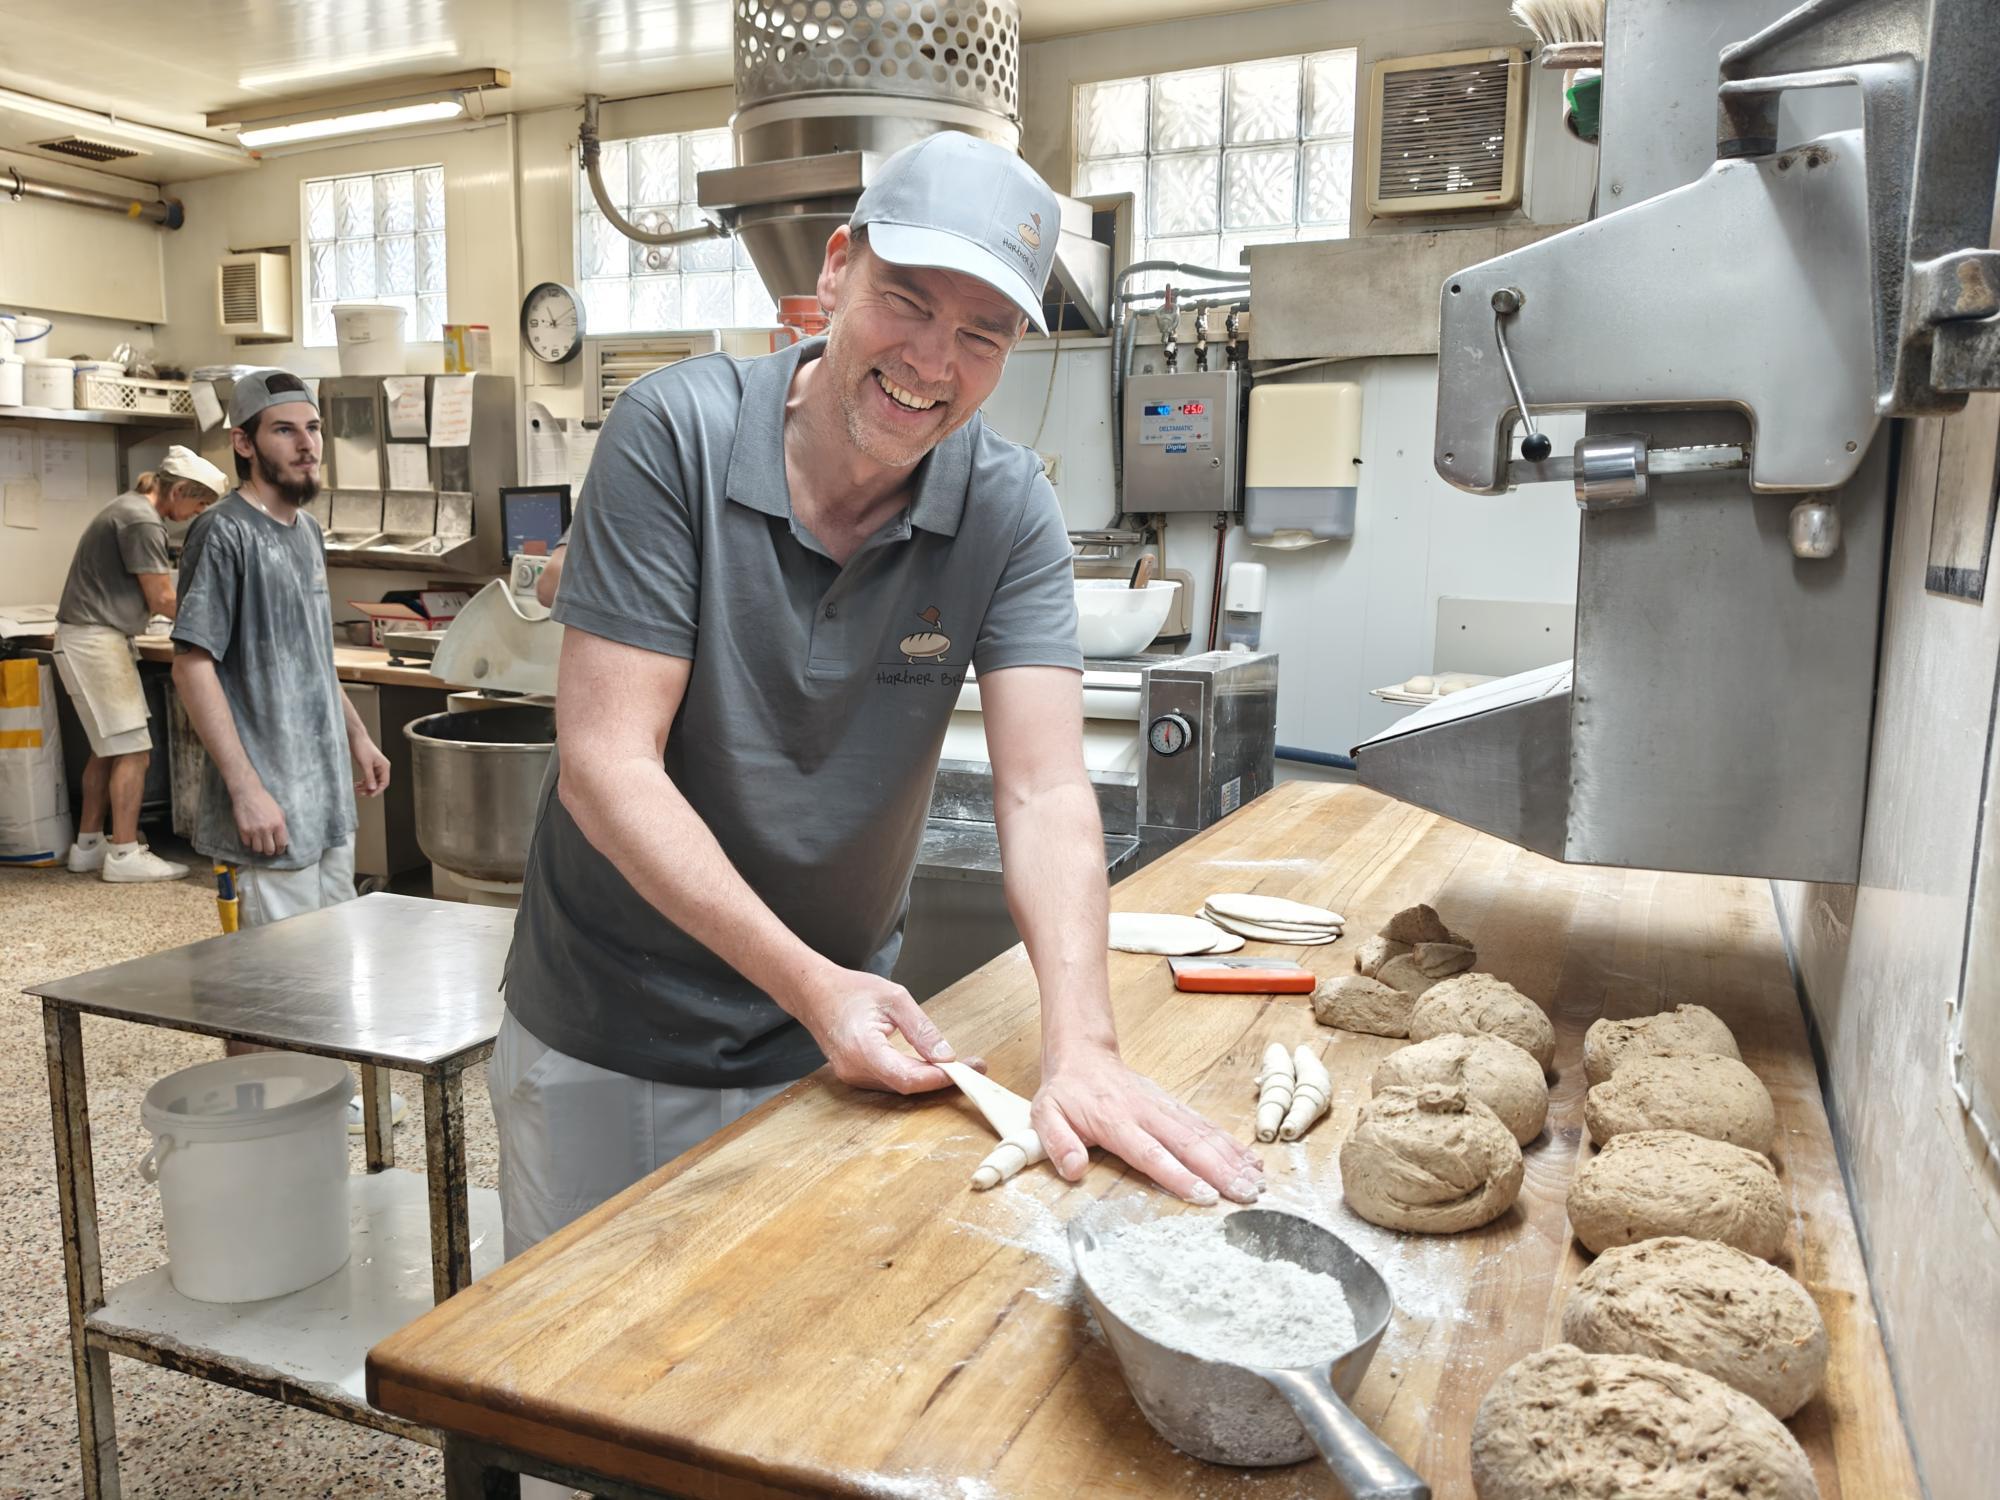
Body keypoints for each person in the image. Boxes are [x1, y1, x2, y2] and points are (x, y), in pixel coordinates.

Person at [494, 133, 1264, 1269]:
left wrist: (1083, 1047)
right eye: (906, 301)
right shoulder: (676, 437)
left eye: (981, 334)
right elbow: (610, 764)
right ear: (838, 270)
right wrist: (813, 987)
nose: (932, 361)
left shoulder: (1004, 509)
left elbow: (1045, 788)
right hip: (618, 1033)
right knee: (577, 1396)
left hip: (835, 1051)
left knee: (773, 1382)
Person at [171, 372, 392, 940]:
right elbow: (193, 666)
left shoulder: (307, 531)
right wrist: (246, 791)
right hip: (268, 812)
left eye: (313, 428)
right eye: (285, 430)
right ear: (244, 443)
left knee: (334, 973)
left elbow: (313, 655)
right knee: (273, 990)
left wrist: (357, 736)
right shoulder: (221, 533)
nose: (306, 445)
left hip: (327, 804)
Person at [56, 446, 227, 882]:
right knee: (135, 751)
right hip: (96, 640)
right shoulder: (141, 520)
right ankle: (125, 853)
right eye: (200, 504)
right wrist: (220, 623)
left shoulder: (128, 508)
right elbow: (163, 599)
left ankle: (89, 846)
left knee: (108, 748)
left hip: (89, 635)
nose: (195, 514)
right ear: (182, 490)